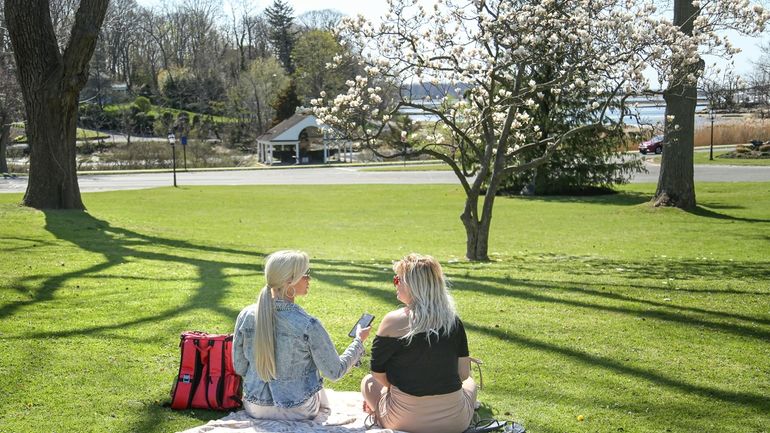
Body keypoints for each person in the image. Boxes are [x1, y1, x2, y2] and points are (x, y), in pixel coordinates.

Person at [233, 250, 371, 420]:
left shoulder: (245, 315)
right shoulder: (308, 324)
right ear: (290, 281)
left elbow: (239, 367)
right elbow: (334, 372)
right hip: (298, 410)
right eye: (306, 274)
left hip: (254, 407)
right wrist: (358, 341)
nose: (309, 279)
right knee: (319, 389)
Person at [361, 253, 477, 433]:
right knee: (471, 384)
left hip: (404, 421)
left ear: (414, 285)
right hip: (454, 423)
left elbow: (377, 374)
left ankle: (378, 411)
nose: (395, 284)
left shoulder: (392, 321)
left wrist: (394, 390)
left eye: (398, 280)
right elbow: (463, 374)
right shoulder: (453, 322)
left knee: (368, 382)